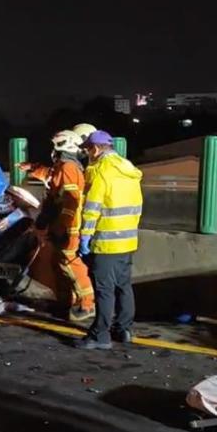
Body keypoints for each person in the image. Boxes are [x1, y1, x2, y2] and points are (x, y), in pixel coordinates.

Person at [75, 130, 143, 350]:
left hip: (106, 241)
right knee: (123, 285)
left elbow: (92, 209)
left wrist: (85, 237)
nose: (87, 154)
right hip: (128, 240)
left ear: (95, 149)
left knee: (104, 290)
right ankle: (123, 329)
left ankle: (99, 335)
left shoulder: (100, 171)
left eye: (87, 150)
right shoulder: (128, 169)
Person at [18, 130, 95, 322]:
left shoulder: (68, 167)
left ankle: (87, 303)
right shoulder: (63, 166)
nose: (54, 149)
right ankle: (67, 302)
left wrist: (62, 227)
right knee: (59, 264)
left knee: (70, 264)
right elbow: (51, 177)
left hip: (68, 228)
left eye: (57, 144)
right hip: (61, 226)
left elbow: (69, 202)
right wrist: (32, 168)